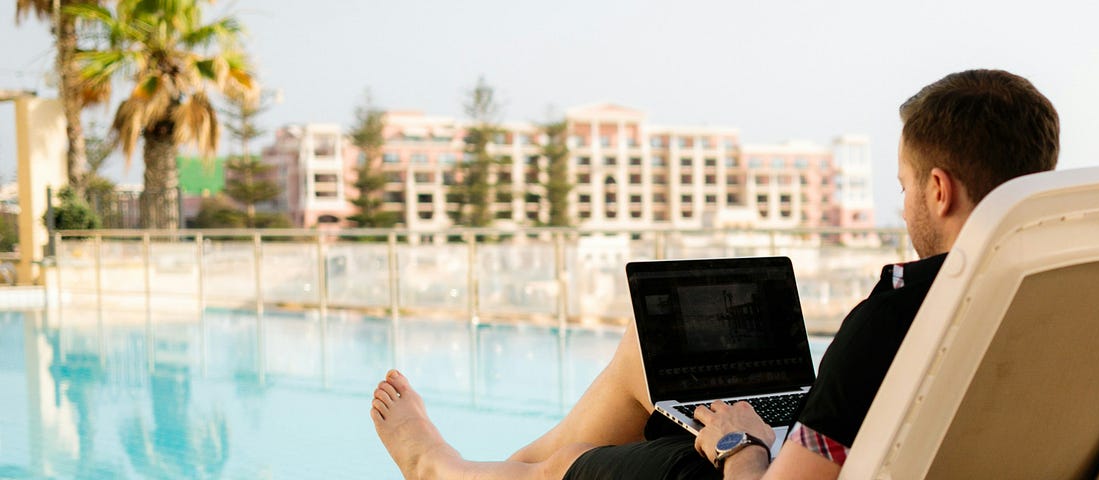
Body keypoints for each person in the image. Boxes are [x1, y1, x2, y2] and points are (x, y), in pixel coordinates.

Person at [368, 68, 1061, 480]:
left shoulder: (900, 312)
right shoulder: (1064, 302)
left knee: (578, 460)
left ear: (939, 191)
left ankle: (447, 468)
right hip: (840, 451)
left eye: (906, 185)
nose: (903, 202)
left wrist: (741, 444)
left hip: (751, 470)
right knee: (648, 352)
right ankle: (506, 471)